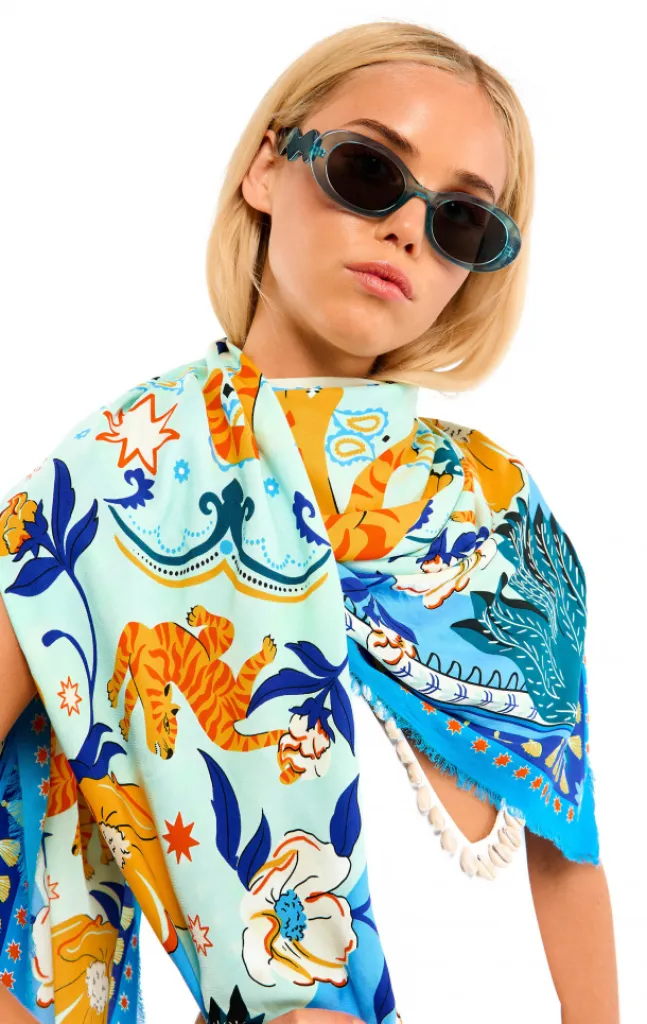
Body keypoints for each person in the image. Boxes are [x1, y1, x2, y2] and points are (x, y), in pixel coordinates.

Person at [0, 18, 619, 1024]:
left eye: (462, 220)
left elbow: (568, 852)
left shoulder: (498, 506)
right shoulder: (105, 487)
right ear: (264, 168)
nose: (408, 229)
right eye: (369, 171)